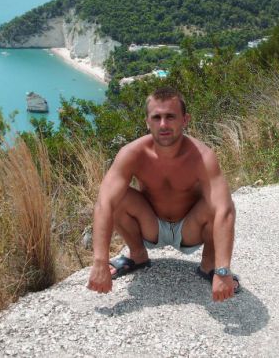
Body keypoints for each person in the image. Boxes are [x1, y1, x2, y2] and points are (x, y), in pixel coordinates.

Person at [86, 87, 239, 302]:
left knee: (221, 204)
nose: (163, 125)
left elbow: (224, 210)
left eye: (170, 117)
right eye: (156, 118)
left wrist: (224, 271)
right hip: (151, 225)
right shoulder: (132, 153)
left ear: (185, 120)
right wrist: (100, 262)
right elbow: (104, 204)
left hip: (190, 228)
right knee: (116, 197)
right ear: (147, 122)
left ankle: (210, 267)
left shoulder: (202, 156)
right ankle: (138, 256)